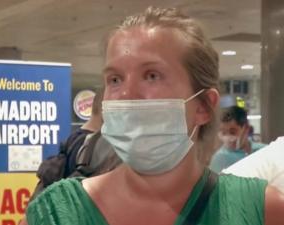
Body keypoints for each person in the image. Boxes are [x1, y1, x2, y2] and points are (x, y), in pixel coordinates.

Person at [25, 6, 284, 225]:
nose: (126, 94)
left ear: (203, 105)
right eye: (114, 79)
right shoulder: (56, 213)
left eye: (151, 76)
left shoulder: (259, 209)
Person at [209, 106, 266, 172]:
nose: (228, 138)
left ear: (246, 128)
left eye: (232, 132)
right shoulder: (219, 158)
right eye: (223, 133)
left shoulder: (263, 150)